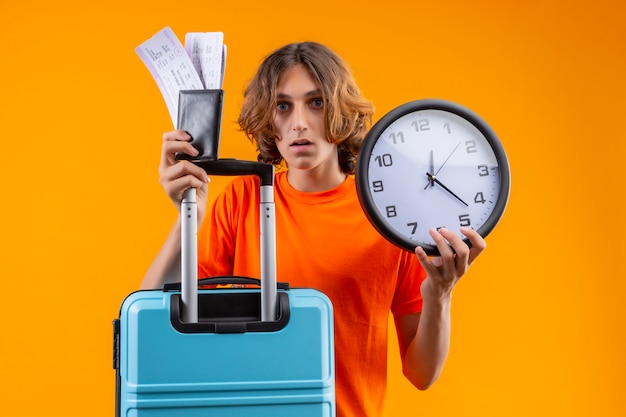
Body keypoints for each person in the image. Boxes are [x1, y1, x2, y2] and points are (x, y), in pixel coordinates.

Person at [142, 41, 487, 417]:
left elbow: (422, 373)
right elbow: (150, 329)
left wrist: (440, 292)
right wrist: (186, 217)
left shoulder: (389, 212)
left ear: (340, 110)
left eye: (316, 102)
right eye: (283, 106)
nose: (299, 123)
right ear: (267, 118)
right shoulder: (242, 200)